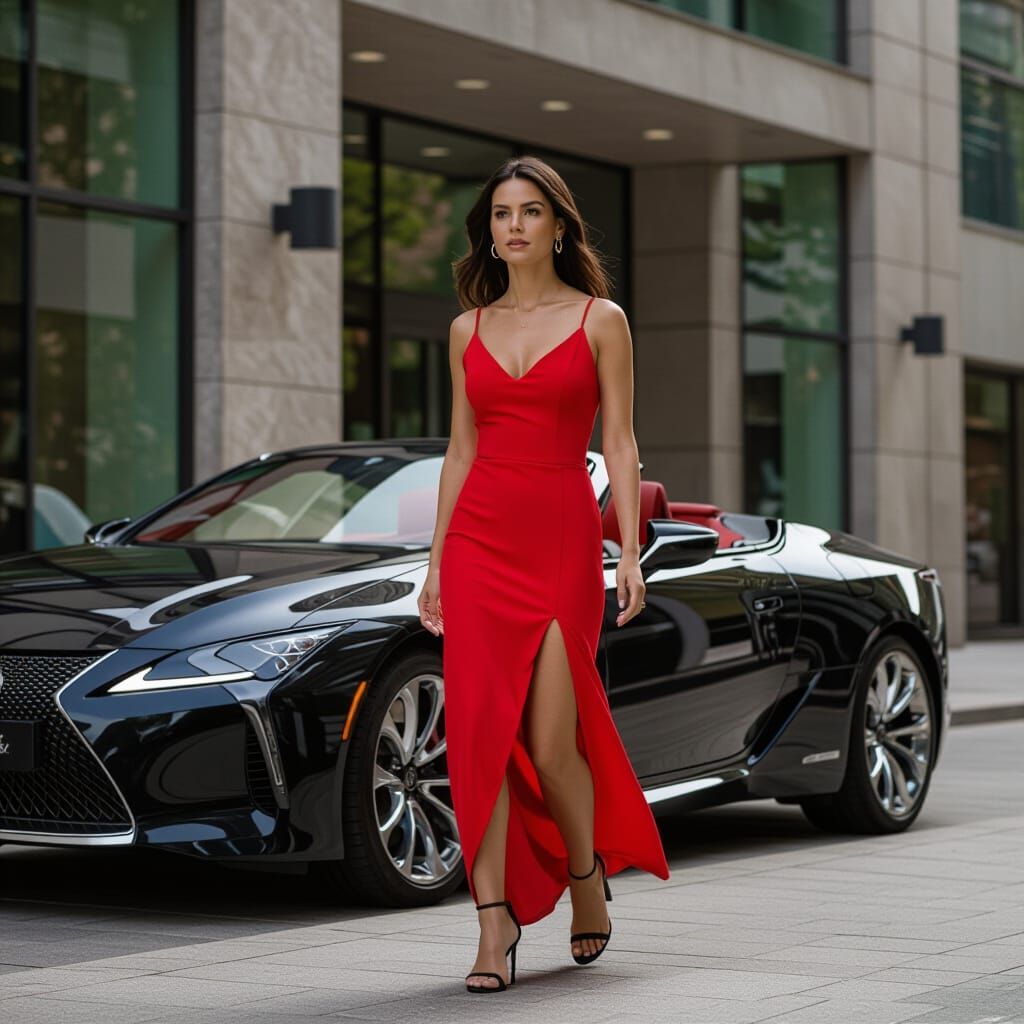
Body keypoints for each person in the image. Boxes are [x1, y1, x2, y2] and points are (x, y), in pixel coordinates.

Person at [417, 155, 670, 994]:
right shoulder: (468, 328)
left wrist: (629, 550)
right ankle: (494, 928)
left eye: (530, 212)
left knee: (555, 744)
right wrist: (434, 568)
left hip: (562, 537)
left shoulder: (603, 318)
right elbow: (460, 451)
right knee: (481, 734)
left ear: (559, 226)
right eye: (500, 214)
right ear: (487, 229)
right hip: (480, 543)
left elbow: (622, 443)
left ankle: (585, 874)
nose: (514, 226)